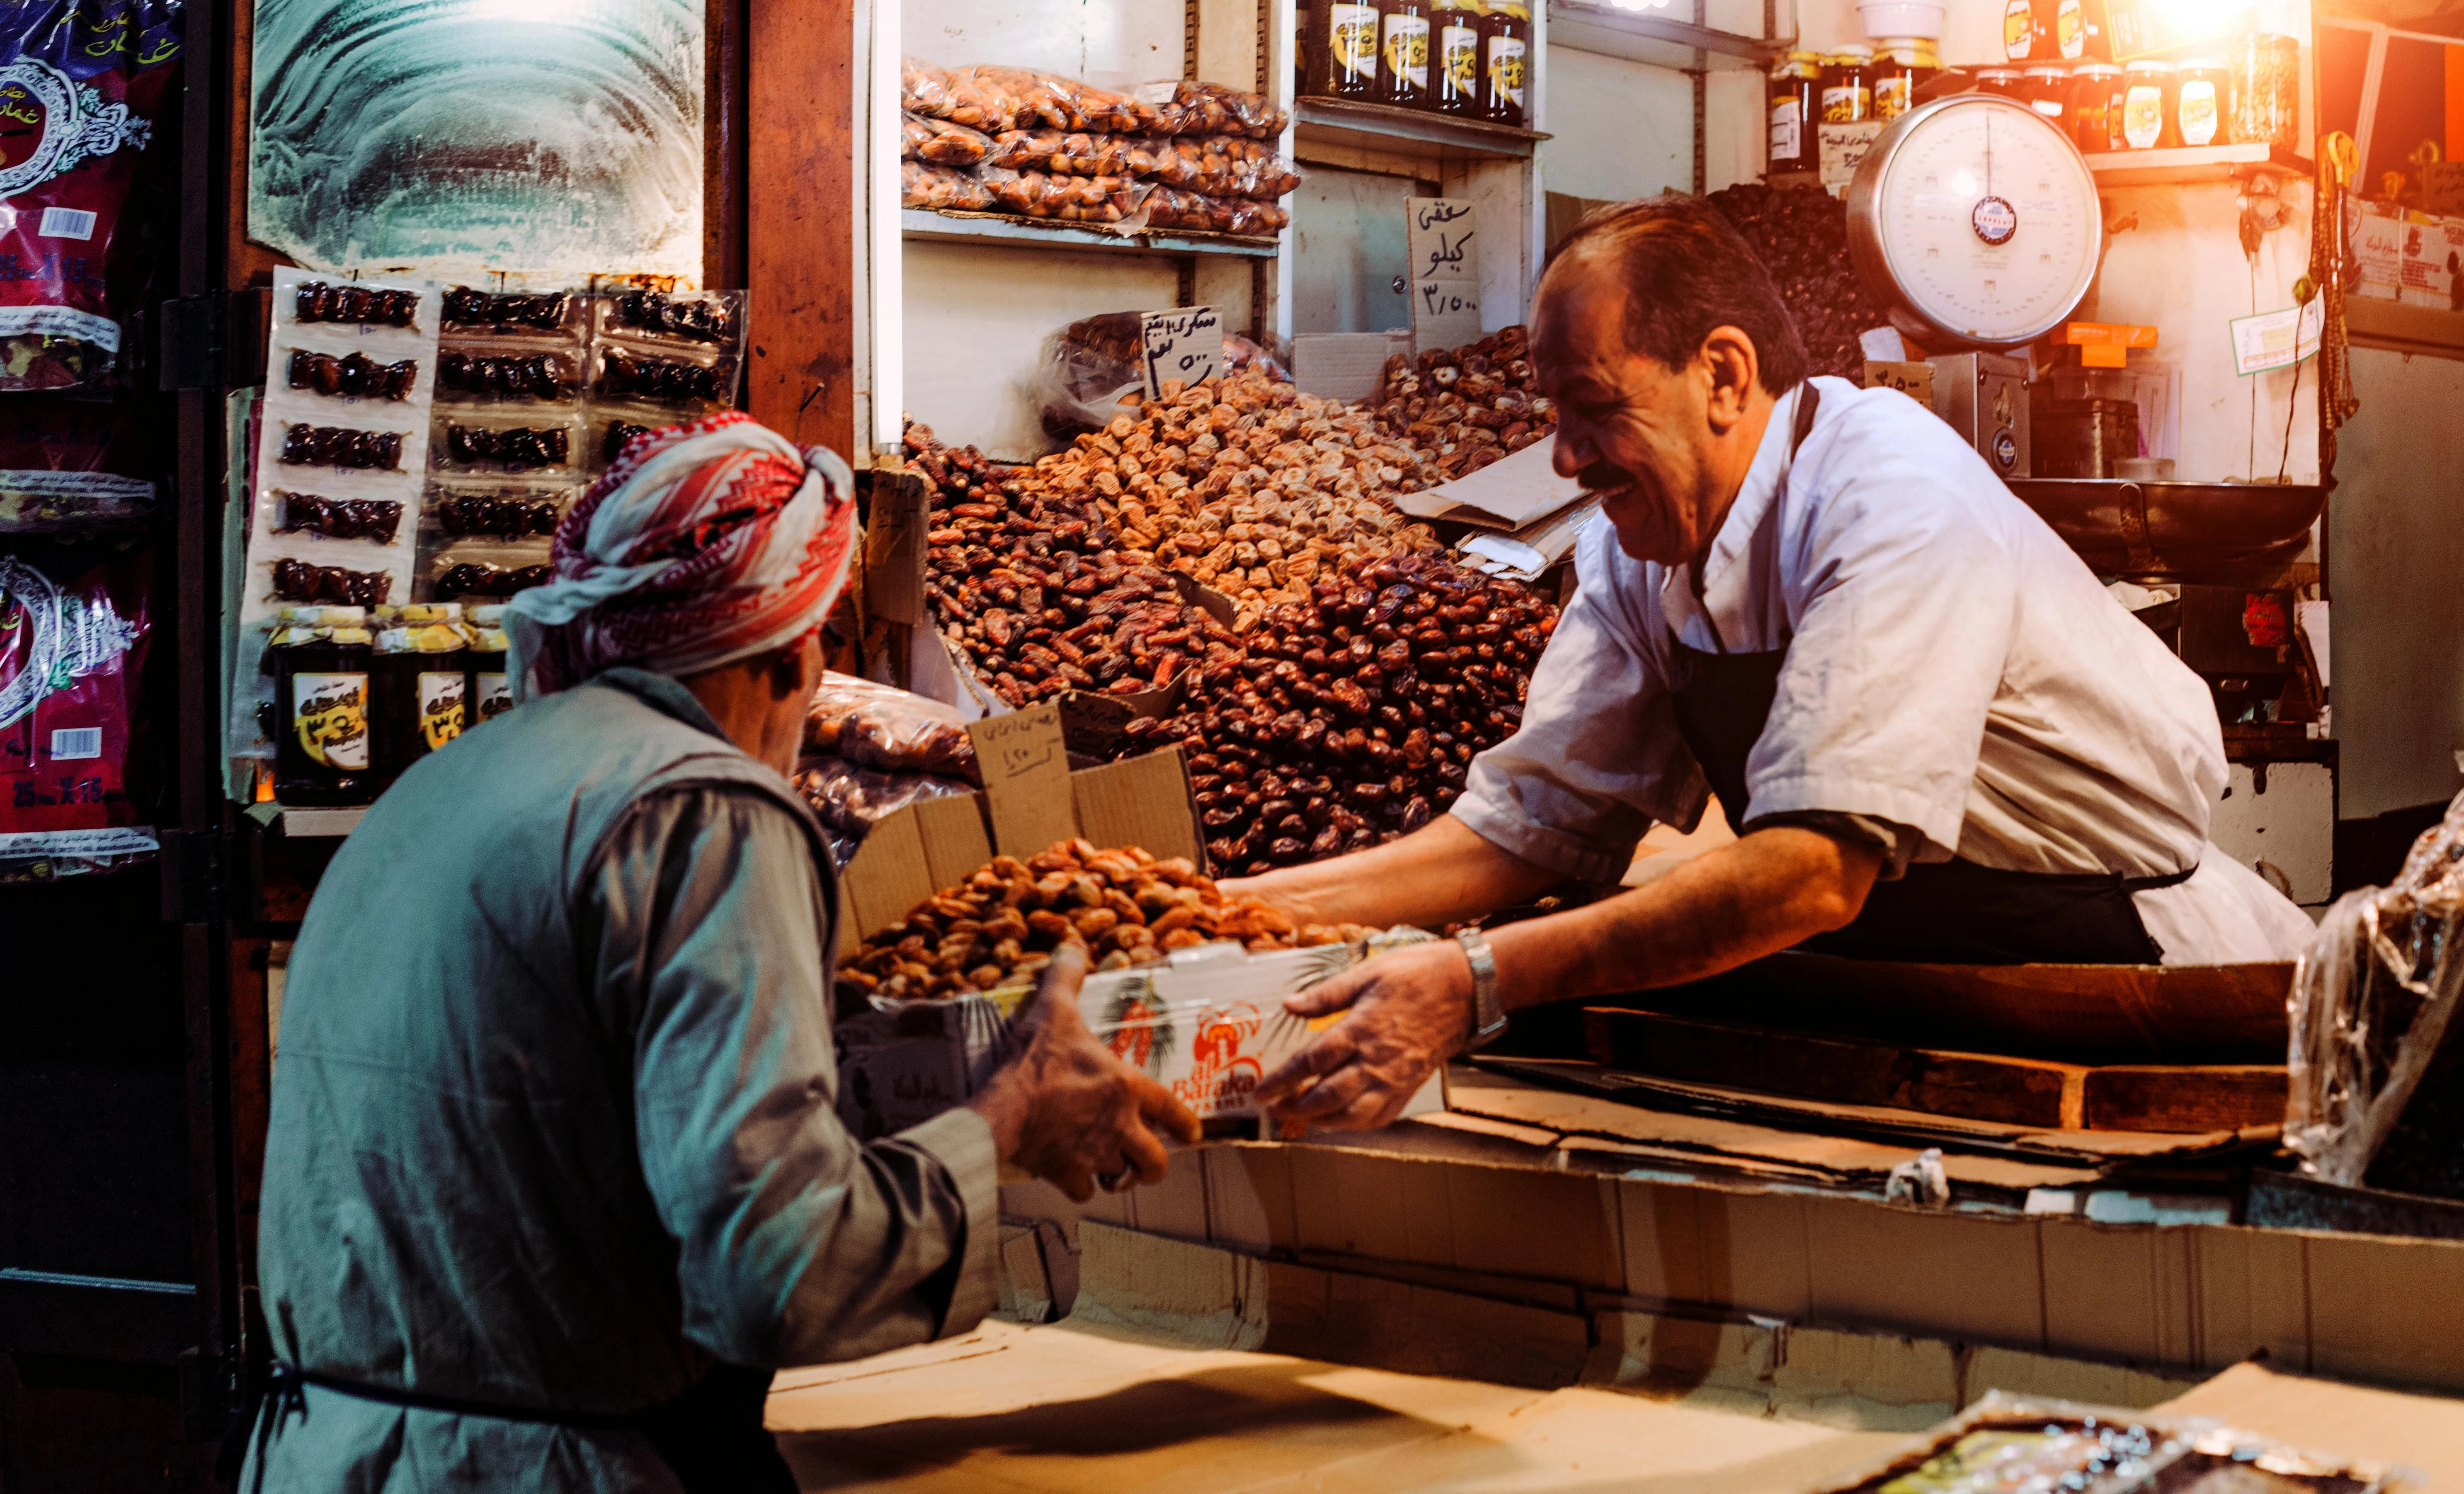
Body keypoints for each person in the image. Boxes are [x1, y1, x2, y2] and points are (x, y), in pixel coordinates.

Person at [242, 413, 1198, 1492]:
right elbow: (776, 1271)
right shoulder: (707, 810)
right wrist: (1006, 1121)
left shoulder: (440, 787)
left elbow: (558, 1127)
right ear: (794, 660)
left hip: (329, 1457)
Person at [1236, 195, 2315, 1131]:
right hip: (1890, 976)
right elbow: (1529, 829)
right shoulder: (1633, 542)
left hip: (2117, 976)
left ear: (1721, 374)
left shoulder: (1884, 496)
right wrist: (1228, 913)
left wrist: (1474, 979)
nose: (1563, 457)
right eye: (1553, 415)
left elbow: (1812, 869)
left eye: (1595, 409)